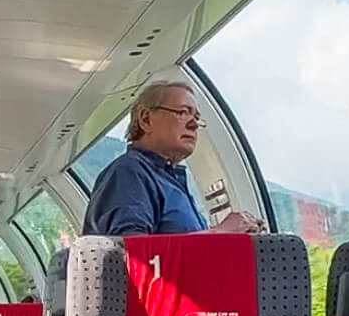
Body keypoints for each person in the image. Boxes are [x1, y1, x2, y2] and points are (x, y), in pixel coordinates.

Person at [82, 80, 264, 237]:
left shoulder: (172, 183)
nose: (193, 124)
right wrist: (219, 232)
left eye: (197, 118)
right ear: (146, 120)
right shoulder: (128, 174)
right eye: (183, 112)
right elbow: (134, 256)